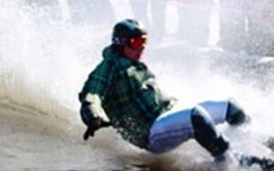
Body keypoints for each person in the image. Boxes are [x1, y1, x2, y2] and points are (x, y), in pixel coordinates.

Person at [79, 19, 248, 160]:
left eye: (144, 42)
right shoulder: (109, 66)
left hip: (165, 115)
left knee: (231, 108)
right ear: (121, 43)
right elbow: (92, 94)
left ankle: (260, 141)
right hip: (150, 132)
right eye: (137, 42)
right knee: (196, 117)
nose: (142, 48)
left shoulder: (134, 63)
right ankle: (230, 161)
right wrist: (93, 117)